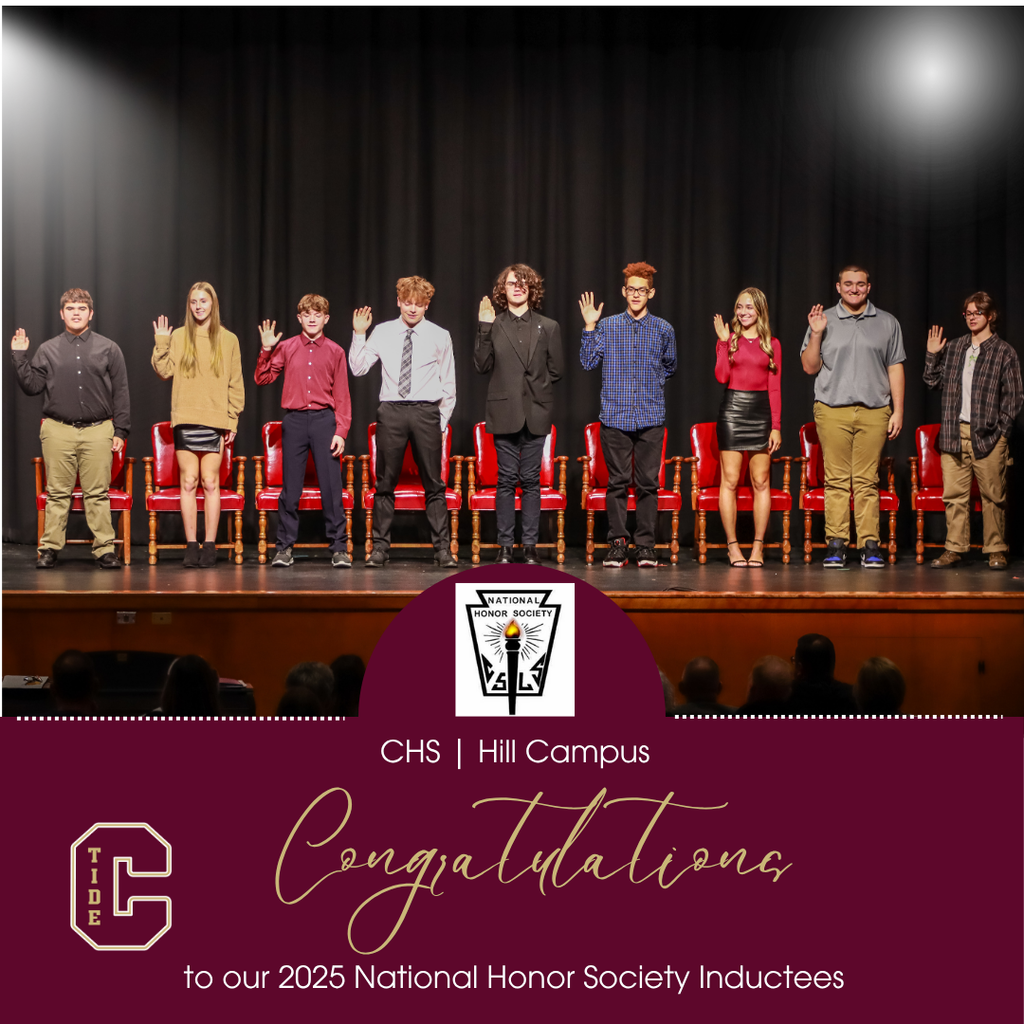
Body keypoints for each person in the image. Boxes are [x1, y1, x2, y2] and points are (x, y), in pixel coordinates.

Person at [12, 288, 129, 569]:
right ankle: (50, 549)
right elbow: (32, 386)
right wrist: (19, 356)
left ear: (91, 313)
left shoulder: (109, 348)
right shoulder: (48, 349)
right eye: (70, 308)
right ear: (61, 313)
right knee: (57, 492)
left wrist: (121, 431)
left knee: (97, 493)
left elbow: (121, 392)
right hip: (58, 430)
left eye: (81, 308)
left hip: (98, 430)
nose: (76, 312)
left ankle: (104, 549)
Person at [801, 266, 906, 568]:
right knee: (835, 479)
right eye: (848, 284)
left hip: (874, 411)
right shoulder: (824, 319)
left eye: (860, 284)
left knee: (866, 480)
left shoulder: (887, 322)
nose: (855, 289)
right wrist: (817, 334)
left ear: (869, 287)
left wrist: (898, 410)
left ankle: (870, 544)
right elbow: (809, 367)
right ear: (838, 287)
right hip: (833, 409)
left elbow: (895, 367)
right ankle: (836, 543)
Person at [349, 276, 457, 568]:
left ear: (427, 305)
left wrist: (440, 422)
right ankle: (380, 549)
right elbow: (358, 369)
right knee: (385, 483)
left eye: (419, 304)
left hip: (426, 412)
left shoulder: (439, 335)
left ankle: (442, 550)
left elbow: (448, 383)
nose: (412, 309)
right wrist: (360, 334)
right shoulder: (383, 332)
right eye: (407, 302)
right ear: (398, 301)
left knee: (434, 484)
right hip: (392, 411)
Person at [579, 262, 677, 567]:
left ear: (651, 293)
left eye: (642, 290)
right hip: (615, 417)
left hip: (650, 417)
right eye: (631, 289)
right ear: (624, 291)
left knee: (648, 482)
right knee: (618, 482)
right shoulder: (607, 326)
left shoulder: (663, 329)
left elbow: (670, 365)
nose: (636, 294)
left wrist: (652, 383)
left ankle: (645, 545)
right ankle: (618, 543)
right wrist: (589, 326)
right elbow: (587, 362)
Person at [923, 292, 1022, 571]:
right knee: (954, 495)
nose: (972, 317)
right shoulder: (955, 347)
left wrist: (1002, 433)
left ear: (990, 316)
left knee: (993, 496)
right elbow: (932, 382)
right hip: (955, 434)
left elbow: (1014, 398)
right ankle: (954, 548)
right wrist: (932, 354)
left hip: (988, 435)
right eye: (968, 313)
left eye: (978, 312)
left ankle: (996, 549)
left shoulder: (1004, 352)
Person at [255, 294, 353, 568]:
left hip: (325, 421)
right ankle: (284, 548)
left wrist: (341, 431)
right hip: (295, 421)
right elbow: (263, 378)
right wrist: (265, 350)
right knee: (291, 488)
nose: (312, 318)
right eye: (307, 313)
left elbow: (343, 396)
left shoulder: (335, 351)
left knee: (332, 488)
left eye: (317, 314)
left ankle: (339, 548)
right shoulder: (286, 347)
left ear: (326, 319)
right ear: (299, 318)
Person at [475, 264, 564, 563]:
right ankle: (504, 547)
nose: (518, 286)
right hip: (504, 412)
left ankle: (529, 547)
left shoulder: (548, 326)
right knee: (505, 479)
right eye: (512, 282)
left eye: (524, 283)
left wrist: (535, 386)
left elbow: (557, 370)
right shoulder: (494, 324)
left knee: (531, 481)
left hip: (536, 411)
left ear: (532, 289)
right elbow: (481, 365)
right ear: (504, 288)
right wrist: (484, 327)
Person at [152, 282, 244, 567]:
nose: (198, 307)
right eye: (194, 302)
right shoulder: (179, 336)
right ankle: (192, 544)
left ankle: (210, 544)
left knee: (210, 481)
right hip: (186, 419)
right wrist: (161, 342)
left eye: (203, 301)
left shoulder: (228, 340)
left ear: (212, 304)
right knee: (189, 482)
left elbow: (236, 384)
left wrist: (232, 421)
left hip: (215, 421)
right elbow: (164, 371)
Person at [712, 287, 782, 567]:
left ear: (760, 310)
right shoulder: (729, 339)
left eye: (750, 308)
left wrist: (775, 426)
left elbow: (775, 389)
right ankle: (732, 547)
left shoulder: (772, 344)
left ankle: (757, 547)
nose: (743, 312)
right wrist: (722, 343)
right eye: (740, 307)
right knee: (729, 481)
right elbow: (721, 377)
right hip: (732, 411)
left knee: (761, 481)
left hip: (761, 412)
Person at [782, 633, 857, 715]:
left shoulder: (785, 694)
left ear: (800, 667)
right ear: (832, 663)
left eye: (794, 660)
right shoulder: (852, 696)